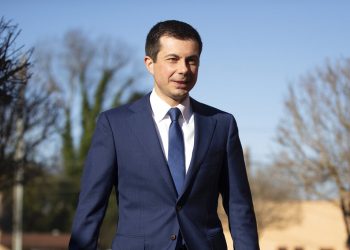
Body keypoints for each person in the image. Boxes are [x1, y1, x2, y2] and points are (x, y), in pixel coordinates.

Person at [69, 20, 260, 250]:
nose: (183, 69)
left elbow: (239, 207)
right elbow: (91, 208)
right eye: (173, 59)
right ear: (149, 63)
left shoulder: (221, 125)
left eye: (192, 60)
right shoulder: (114, 124)